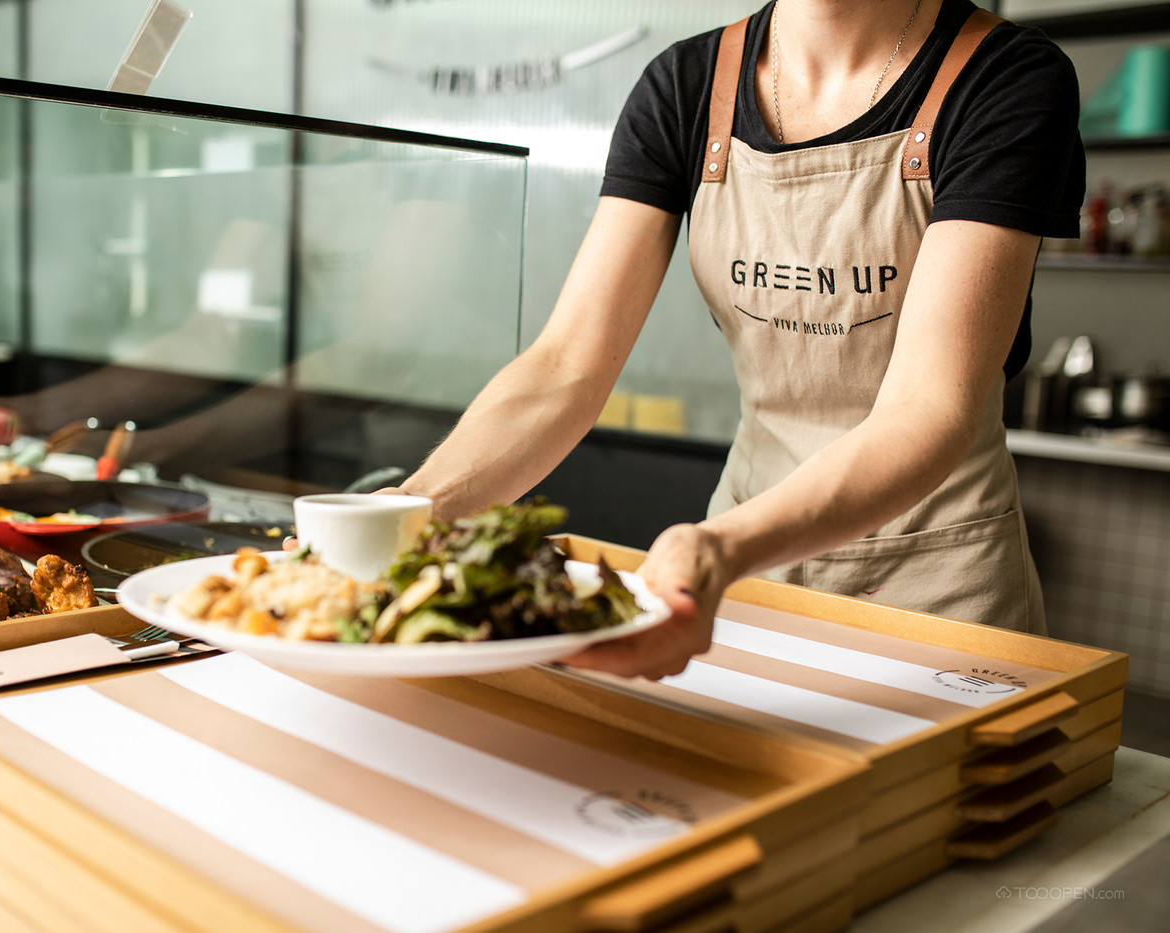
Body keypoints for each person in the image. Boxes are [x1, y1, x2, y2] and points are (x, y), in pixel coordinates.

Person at [388, 0, 1085, 680]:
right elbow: (567, 366)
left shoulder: (1005, 78)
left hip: (933, 582)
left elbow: (930, 408)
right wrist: (408, 514)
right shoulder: (686, 85)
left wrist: (720, 546)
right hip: (745, 574)